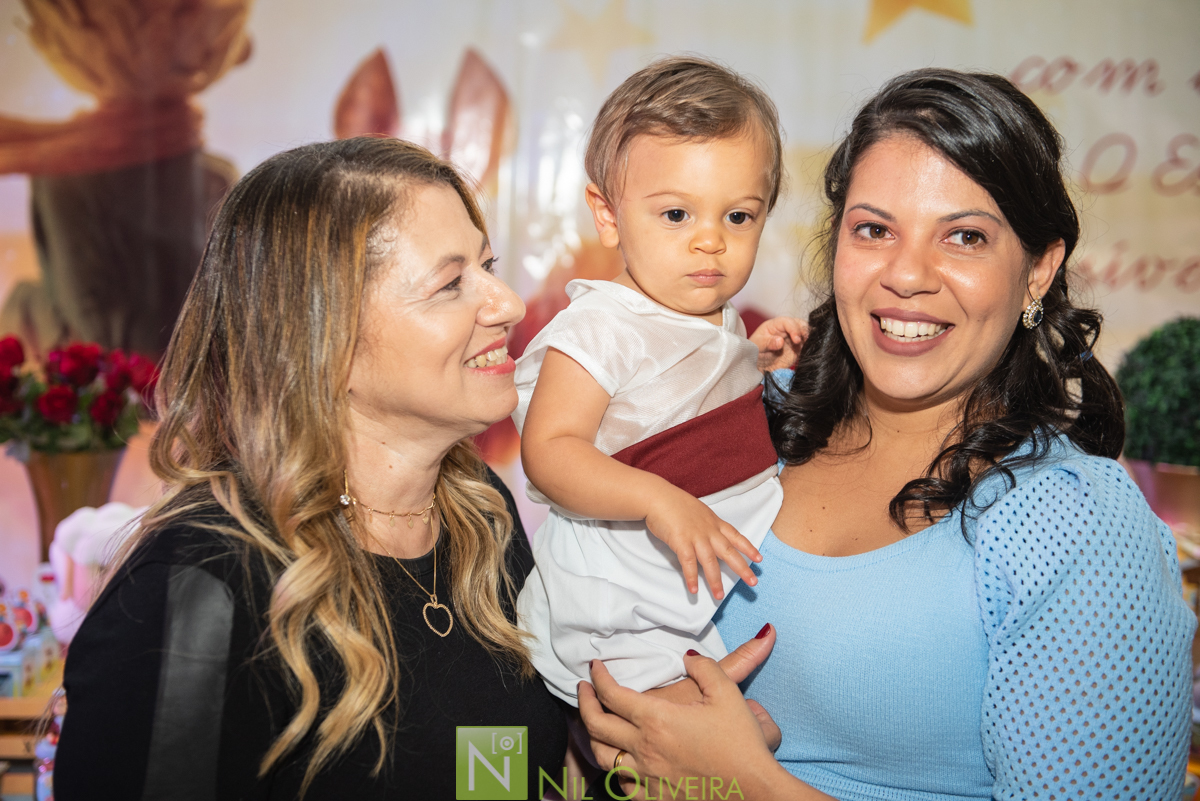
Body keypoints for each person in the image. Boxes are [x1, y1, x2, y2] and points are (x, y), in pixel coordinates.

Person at [578, 68, 1196, 800]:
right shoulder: (745, 416)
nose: (906, 275)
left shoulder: (1074, 521)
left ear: (1038, 269)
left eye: (964, 237)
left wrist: (744, 783)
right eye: (874, 229)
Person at [53, 137, 568, 799]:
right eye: (451, 283)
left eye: (487, 265)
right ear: (327, 336)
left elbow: (502, 775)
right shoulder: (199, 581)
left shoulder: (481, 516)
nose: (508, 303)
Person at [514, 56, 805, 705]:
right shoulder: (599, 327)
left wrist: (752, 363)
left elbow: (680, 400)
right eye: (677, 215)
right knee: (685, 728)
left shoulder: (715, 316)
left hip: (695, 587)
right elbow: (551, 451)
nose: (711, 242)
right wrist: (657, 500)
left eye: (738, 217)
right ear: (608, 214)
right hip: (620, 600)